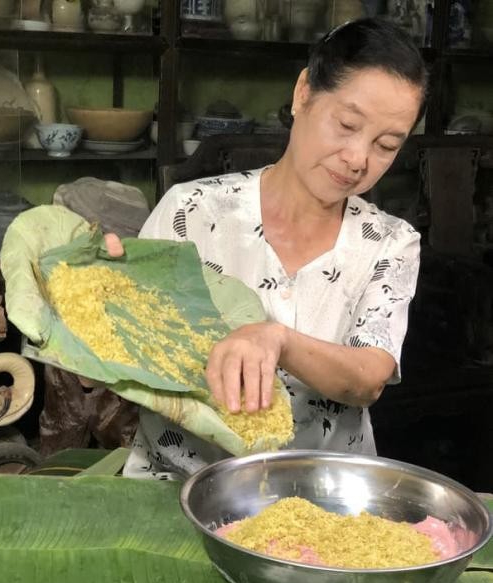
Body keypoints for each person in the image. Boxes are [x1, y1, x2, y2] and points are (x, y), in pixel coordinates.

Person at [104, 17, 427, 480]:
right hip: (178, 485)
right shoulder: (192, 211)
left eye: (386, 145)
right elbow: (130, 348)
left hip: (325, 496)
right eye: (347, 124)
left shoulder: (390, 243)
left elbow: (367, 377)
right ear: (303, 94)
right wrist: (100, 287)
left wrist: (276, 338)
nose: (358, 159)